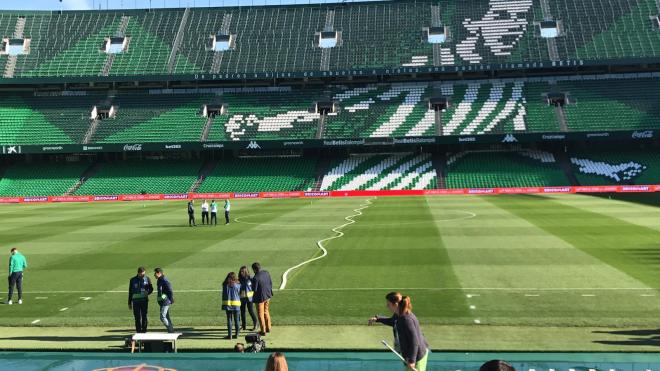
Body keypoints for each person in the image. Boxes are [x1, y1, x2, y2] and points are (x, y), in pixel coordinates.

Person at [395, 296, 429, 371]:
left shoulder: (407, 320)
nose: (387, 306)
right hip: (413, 355)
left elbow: (414, 341)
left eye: (388, 304)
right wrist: (378, 319)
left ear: (397, 305)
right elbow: (392, 321)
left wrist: (412, 360)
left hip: (417, 357)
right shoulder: (402, 315)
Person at [128, 266, 153, 333]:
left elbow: (151, 289)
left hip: (144, 301)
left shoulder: (147, 279)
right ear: (138, 273)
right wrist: (129, 303)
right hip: (135, 302)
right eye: (142, 274)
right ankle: (138, 331)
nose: (143, 275)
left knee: (144, 316)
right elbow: (130, 292)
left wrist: (148, 292)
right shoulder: (132, 280)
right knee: (137, 317)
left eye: (144, 274)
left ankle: (144, 330)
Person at [251, 262, 273, 336]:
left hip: (260, 298)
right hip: (268, 295)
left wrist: (251, 281)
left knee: (260, 314)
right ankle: (268, 328)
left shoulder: (255, 278)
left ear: (254, 269)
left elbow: (254, 289)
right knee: (266, 311)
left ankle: (263, 330)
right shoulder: (266, 273)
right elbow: (270, 282)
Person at [222, 272, 242, 339]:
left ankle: (230, 335)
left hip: (227, 304)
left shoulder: (225, 285)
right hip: (236, 304)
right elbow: (240, 293)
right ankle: (237, 335)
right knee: (237, 320)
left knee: (229, 320)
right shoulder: (238, 285)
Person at [154, 268, 174, 333]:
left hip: (165, 301)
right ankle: (171, 330)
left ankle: (171, 331)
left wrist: (171, 299)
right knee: (167, 317)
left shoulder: (164, 280)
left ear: (159, 273)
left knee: (162, 317)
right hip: (162, 302)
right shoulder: (159, 280)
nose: (154, 275)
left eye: (155, 273)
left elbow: (170, 290)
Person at [239, 266, 257, 331]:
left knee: (251, 311)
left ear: (246, 272)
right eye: (241, 271)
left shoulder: (251, 278)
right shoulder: (239, 279)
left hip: (250, 298)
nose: (241, 273)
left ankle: (255, 324)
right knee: (242, 312)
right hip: (242, 298)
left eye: (243, 271)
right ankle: (243, 326)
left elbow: (254, 287)